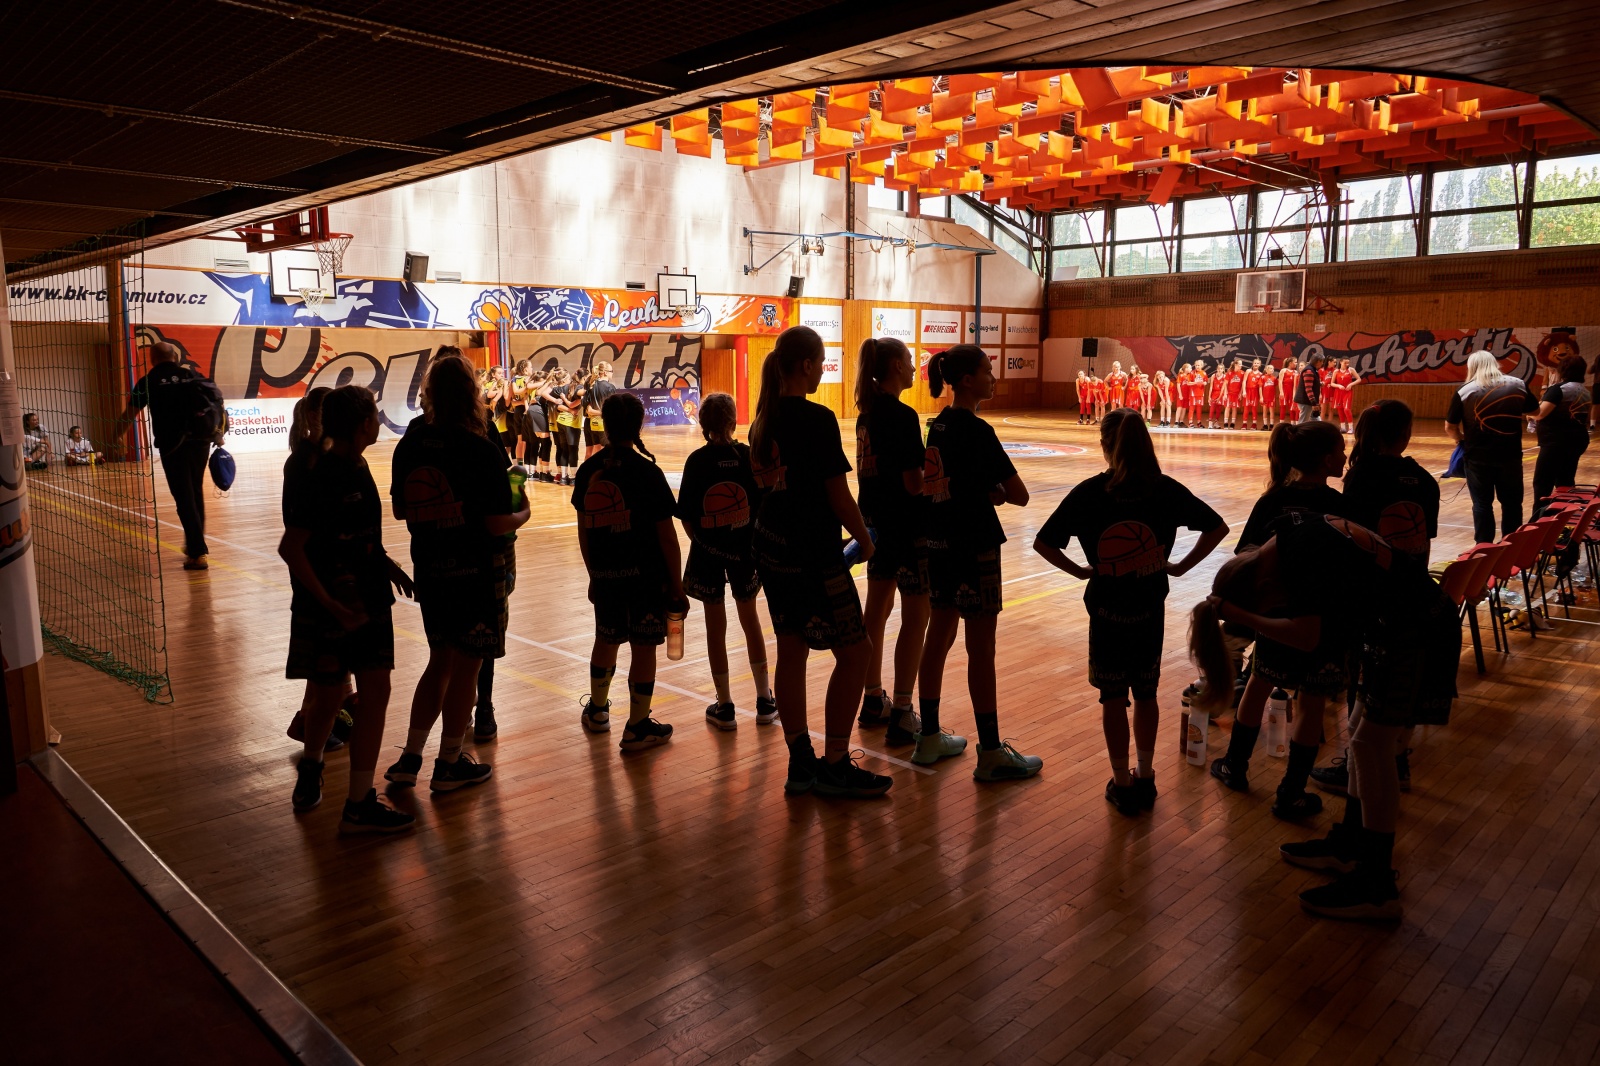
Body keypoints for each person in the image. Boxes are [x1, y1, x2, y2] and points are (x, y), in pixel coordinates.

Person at [1190, 511, 1458, 919]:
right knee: (1361, 738)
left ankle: (1376, 885)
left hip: (1415, 632)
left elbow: (1305, 636)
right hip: (1400, 627)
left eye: (1275, 605)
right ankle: (1350, 845)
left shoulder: (1301, 559)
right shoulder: (1292, 530)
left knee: (1372, 747)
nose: (1282, 607)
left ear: (1264, 585)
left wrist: (1241, 616)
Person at [1034, 408, 1228, 814]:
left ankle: (1121, 782)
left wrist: (1081, 571)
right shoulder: (1164, 489)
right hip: (1149, 609)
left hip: (1106, 610)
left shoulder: (1089, 493)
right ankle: (1146, 775)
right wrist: (1181, 566)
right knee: (1146, 693)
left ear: (1105, 445)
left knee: (1112, 697)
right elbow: (1217, 527)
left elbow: (1044, 543)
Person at [749, 326, 889, 798]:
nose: (823, 368)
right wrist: (864, 540)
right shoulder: (817, 418)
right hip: (813, 553)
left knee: (791, 650)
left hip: (772, 551)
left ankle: (800, 761)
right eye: (822, 360)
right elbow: (837, 494)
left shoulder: (762, 419)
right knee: (857, 652)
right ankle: (834, 764)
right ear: (806, 365)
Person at [385, 351, 529, 792]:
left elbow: (400, 509)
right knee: (467, 669)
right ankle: (448, 763)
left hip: (431, 567)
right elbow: (497, 523)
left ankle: (410, 758)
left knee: (439, 662)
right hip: (477, 571)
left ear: (429, 393)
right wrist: (523, 512)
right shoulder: (479, 447)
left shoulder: (411, 442)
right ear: (471, 393)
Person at [278, 384, 416, 834]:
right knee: (330, 694)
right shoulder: (323, 474)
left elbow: (357, 534)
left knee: (367, 693)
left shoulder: (358, 465)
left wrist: (387, 564)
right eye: (374, 414)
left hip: (368, 599)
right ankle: (319, 770)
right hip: (336, 605)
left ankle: (354, 798)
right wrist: (332, 605)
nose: (378, 421)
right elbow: (291, 548)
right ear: (362, 425)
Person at [916, 344, 1044, 780]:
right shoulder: (978, 430)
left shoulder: (937, 426)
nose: (994, 377)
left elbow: (950, 482)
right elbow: (1020, 495)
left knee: (938, 636)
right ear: (968, 380)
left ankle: (928, 736)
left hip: (939, 542)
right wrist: (998, 493)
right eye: (988, 371)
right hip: (975, 545)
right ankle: (990, 751)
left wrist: (981, 490)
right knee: (981, 650)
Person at [1211, 419, 1349, 819]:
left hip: (1280, 615)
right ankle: (1291, 793)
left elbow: (1245, 554)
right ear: (1325, 460)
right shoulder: (1338, 504)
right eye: (1340, 451)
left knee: (1259, 684)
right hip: (1325, 617)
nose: (1345, 456)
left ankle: (1235, 766)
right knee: (1311, 701)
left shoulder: (1273, 500)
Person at [1311, 398, 1439, 798]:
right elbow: (1423, 540)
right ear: (1406, 434)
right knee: (1396, 686)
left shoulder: (1363, 477)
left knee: (1364, 682)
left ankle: (1356, 768)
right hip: (1414, 590)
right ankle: (1398, 762)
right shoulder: (1425, 480)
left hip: (1373, 593)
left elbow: (1355, 541)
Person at [573, 392, 683, 751]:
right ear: (639, 425)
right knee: (644, 648)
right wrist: (677, 585)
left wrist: (594, 575)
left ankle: (598, 710)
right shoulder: (647, 472)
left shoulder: (589, 471)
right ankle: (637, 726)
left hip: (606, 576)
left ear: (604, 424)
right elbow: (667, 538)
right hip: (646, 578)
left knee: (606, 639)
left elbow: (585, 532)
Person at [678, 392, 775, 730]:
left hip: (707, 553)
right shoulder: (748, 456)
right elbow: (764, 506)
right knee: (751, 621)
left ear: (702, 423)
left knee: (715, 628)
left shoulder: (696, 461)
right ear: (734, 422)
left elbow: (687, 517)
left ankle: (725, 705)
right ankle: (764, 699)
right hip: (745, 551)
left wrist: (705, 544)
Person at [853, 337, 930, 748]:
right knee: (917, 614)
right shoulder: (902, 415)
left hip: (875, 525)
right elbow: (913, 483)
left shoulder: (866, 414)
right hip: (905, 526)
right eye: (910, 361)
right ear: (897, 366)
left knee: (877, 611)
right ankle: (902, 711)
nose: (915, 367)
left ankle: (872, 700)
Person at [280, 387, 358, 754]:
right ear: (313, 417)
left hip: (329, 569)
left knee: (334, 653)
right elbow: (299, 532)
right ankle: (310, 719)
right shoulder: (306, 462)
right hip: (316, 572)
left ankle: (327, 711)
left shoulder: (324, 458)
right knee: (326, 654)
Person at [115, 342, 216, 569]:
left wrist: (116, 436)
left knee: (184, 497)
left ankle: (197, 552)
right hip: (201, 443)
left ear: (152, 359)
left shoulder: (148, 381)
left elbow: (129, 413)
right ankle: (195, 545)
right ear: (175, 356)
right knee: (195, 491)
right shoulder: (191, 375)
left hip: (173, 447)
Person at [1446, 351, 1539, 544]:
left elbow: (1450, 427)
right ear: (1495, 363)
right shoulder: (1518, 385)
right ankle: (1512, 545)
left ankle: (1483, 546)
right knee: (1512, 503)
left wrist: (1461, 439)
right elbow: (1535, 411)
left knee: (1482, 504)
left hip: (1477, 457)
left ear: (1471, 367)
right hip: (1510, 456)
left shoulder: (1464, 391)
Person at [1533, 354, 1592, 506]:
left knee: (1542, 483)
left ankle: (1540, 517)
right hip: (1578, 440)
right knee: (1565, 482)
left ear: (1562, 370)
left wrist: (1529, 414)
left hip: (1556, 442)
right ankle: (1565, 514)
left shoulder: (1558, 390)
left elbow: (1540, 414)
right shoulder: (1585, 391)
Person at [584, 360, 618, 458]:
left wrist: (592, 411)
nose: (612, 373)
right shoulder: (610, 387)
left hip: (593, 424)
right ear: (605, 372)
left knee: (597, 452)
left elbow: (586, 405)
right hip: (604, 424)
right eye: (611, 371)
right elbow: (612, 408)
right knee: (607, 453)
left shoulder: (592, 386)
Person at [1332, 358, 1362, 434]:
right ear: (1341, 362)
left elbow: (1359, 379)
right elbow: (1332, 383)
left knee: (1346, 409)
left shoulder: (1351, 370)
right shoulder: (1336, 371)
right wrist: (1338, 385)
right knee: (1340, 409)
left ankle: (1351, 428)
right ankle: (1343, 428)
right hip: (1339, 392)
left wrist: (1351, 384)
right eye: (1345, 363)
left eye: (1348, 363)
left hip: (1347, 392)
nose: (1347, 364)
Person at [1294, 354, 1324, 424]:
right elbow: (1308, 388)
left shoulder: (1312, 370)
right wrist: (1314, 403)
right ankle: (1298, 431)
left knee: (1316, 420)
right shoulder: (1309, 371)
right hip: (1306, 401)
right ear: (1318, 361)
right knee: (1303, 422)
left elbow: (1310, 383)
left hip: (1308, 401)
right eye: (1322, 361)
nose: (1322, 363)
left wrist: (1318, 384)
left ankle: (1321, 430)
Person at [1242, 359, 1263, 431]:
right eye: (1255, 363)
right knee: (1246, 408)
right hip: (1248, 391)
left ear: (1260, 365)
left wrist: (1260, 396)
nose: (1256, 364)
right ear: (1253, 363)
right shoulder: (1248, 371)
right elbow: (1244, 381)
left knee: (1254, 408)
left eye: (1257, 363)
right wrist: (1244, 391)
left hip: (1255, 392)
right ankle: (1244, 423)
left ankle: (1254, 424)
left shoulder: (1260, 374)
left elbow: (1260, 386)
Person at [1224, 358, 1245, 429]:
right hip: (1229, 393)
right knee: (1227, 407)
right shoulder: (1229, 373)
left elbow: (1242, 384)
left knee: (1234, 408)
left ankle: (1232, 423)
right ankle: (1225, 423)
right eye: (1239, 364)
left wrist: (1240, 393)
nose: (1241, 365)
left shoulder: (1242, 373)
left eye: (1241, 364)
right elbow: (1225, 384)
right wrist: (1225, 393)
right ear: (1235, 365)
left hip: (1237, 393)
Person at [1279, 358, 1299, 426]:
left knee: (1292, 407)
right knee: (1283, 407)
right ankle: (1281, 424)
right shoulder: (1284, 370)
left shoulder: (1296, 372)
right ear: (1290, 363)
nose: (1296, 363)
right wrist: (1281, 392)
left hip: (1292, 392)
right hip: (1285, 391)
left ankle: (1293, 424)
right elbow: (1280, 381)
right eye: (1295, 362)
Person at [1260, 359, 1279, 430]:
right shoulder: (1263, 377)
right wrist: (1261, 397)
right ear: (1266, 370)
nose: (1272, 370)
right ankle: (1265, 425)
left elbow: (1276, 388)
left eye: (1273, 369)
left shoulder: (1274, 378)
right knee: (1264, 410)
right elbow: (1260, 387)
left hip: (1271, 397)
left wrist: (1275, 396)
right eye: (1270, 368)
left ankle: (1271, 425)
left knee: (1271, 411)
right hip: (1265, 397)